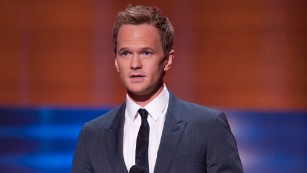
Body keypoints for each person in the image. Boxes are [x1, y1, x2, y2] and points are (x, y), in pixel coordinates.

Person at [71, 4, 243, 173]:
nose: (135, 64)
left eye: (146, 53)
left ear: (168, 60)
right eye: (126, 53)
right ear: (116, 61)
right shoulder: (93, 135)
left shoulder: (207, 127)